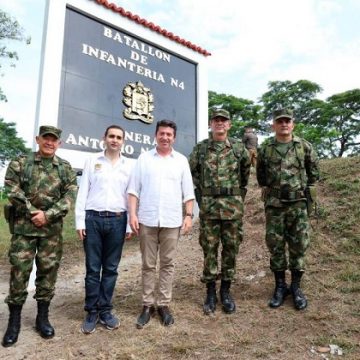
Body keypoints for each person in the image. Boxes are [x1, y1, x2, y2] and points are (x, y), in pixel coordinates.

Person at [2, 125, 77, 347]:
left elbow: (70, 194)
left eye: (54, 140)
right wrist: (33, 212)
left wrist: (48, 215)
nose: (49, 142)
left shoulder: (64, 168)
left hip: (50, 232)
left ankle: (41, 318)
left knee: (47, 274)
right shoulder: (20, 163)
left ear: (59, 143)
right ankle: (13, 322)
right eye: (46, 138)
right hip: (24, 230)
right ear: (38, 139)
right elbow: (12, 188)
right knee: (19, 274)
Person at [128, 119, 194, 328]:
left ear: (174, 138)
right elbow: (133, 190)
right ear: (155, 135)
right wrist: (132, 215)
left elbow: (188, 192)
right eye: (162, 133)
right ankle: (147, 305)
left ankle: (163, 304)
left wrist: (189, 215)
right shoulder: (144, 159)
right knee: (148, 264)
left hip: (172, 221)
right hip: (147, 219)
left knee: (167, 264)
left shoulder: (181, 161)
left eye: (169, 134)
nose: (165, 137)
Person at [189, 109, 251, 315]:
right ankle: (210, 291)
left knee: (231, 248)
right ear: (211, 124)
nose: (220, 123)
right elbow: (193, 172)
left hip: (232, 209)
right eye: (216, 120)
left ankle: (225, 290)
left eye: (223, 120)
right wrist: (204, 194)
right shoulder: (201, 149)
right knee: (209, 249)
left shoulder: (238, 148)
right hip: (209, 209)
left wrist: (235, 196)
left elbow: (245, 174)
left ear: (229, 124)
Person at [256, 108, 319, 310]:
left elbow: (314, 173)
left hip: (298, 206)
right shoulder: (266, 149)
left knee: (299, 245)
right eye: (280, 121)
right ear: (273, 125)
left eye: (287, 121)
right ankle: (280, 287)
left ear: (293, 124)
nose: (284, 124)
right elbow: (262, 177)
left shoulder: (305, 147)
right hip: (275, 206)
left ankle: (297, 287)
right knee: (275, 246)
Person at [75, 125, 133, 334]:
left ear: (123, 141)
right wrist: (80, 222)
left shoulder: (129, 166)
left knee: (110, 269)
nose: (114, 140)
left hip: (117, 221)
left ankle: (105, 310)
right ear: (104, 138)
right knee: (92, 269)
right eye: (111, 136)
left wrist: (128, 224)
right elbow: (83, 192)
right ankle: (91, 311)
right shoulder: (92, 161)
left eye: (118, 137)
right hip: (93, 219)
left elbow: (130, 196)